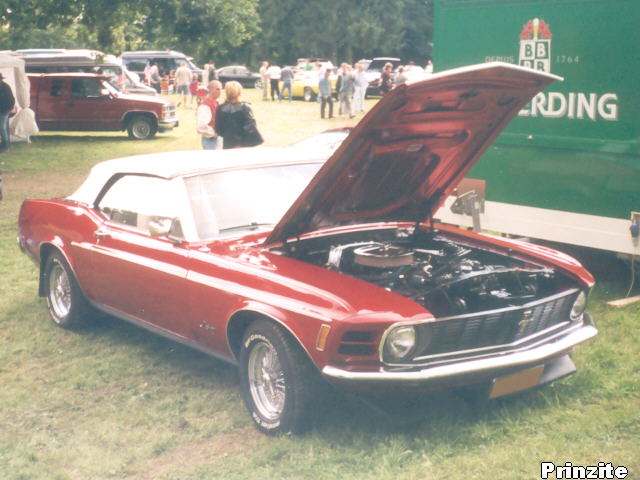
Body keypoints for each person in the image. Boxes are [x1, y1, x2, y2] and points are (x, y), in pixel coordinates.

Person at [215, 81, 263, 149]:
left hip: (228, 144)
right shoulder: (245, 107)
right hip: (244, 144)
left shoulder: (220, 108)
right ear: (239, 92)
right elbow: (252, 127)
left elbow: (218, 130)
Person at [196, 80, 222, 150]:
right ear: (211, 90)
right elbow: (201, 126)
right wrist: (213, 134)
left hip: (217, 138)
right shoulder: (205, 106)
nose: (220, 91)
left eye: (220, 89)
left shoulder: (215, 103)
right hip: (210, 140)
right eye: (217, 89)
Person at [0, 73, 16, 153]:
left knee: (2, 128)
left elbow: (11, 99)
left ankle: (5, 145)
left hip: (4, 110)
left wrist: (9, 108)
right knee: (3, 127)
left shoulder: (5, 87)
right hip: (3, 109)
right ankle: (5, 144)